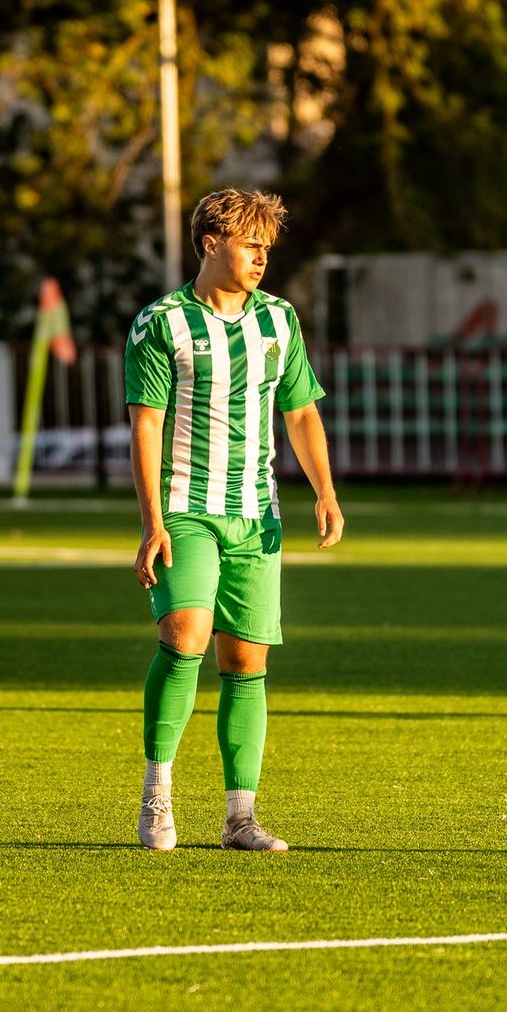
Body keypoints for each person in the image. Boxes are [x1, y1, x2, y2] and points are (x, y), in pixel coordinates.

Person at [124, 188, 343, 852]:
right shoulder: (161, 323)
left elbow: (301, 411)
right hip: (186, 508)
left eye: (267, 248)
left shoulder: (279, 320)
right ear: (212, 242)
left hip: (256, 512)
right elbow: (147, 422)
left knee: (244, 656)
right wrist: (153, 521)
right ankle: (157, 796)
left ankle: (239, 818)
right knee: (185, 631)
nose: (261, 259)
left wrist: (325, 492)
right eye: (251, 245)